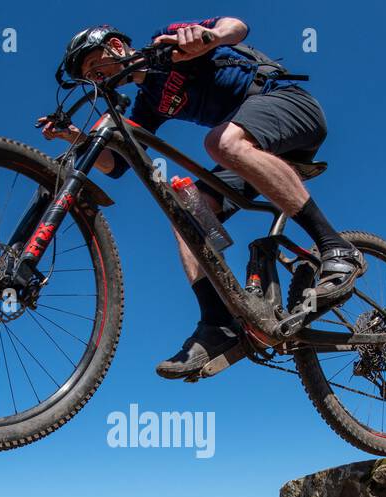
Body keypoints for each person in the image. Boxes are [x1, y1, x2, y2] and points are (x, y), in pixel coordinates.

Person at [39, 18, 364, 379]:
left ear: (116, 47)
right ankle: (218, 324)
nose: (95, 78)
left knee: (221, 143)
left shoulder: (169, 44)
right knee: (185, 213)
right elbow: (116, 165)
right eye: (89, 76)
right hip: (251, 146)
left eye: (94, 66)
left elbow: (237, 26)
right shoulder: (148, 103)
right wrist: (73, 137)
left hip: (287, 104)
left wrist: (207, 38)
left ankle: (337, 247)